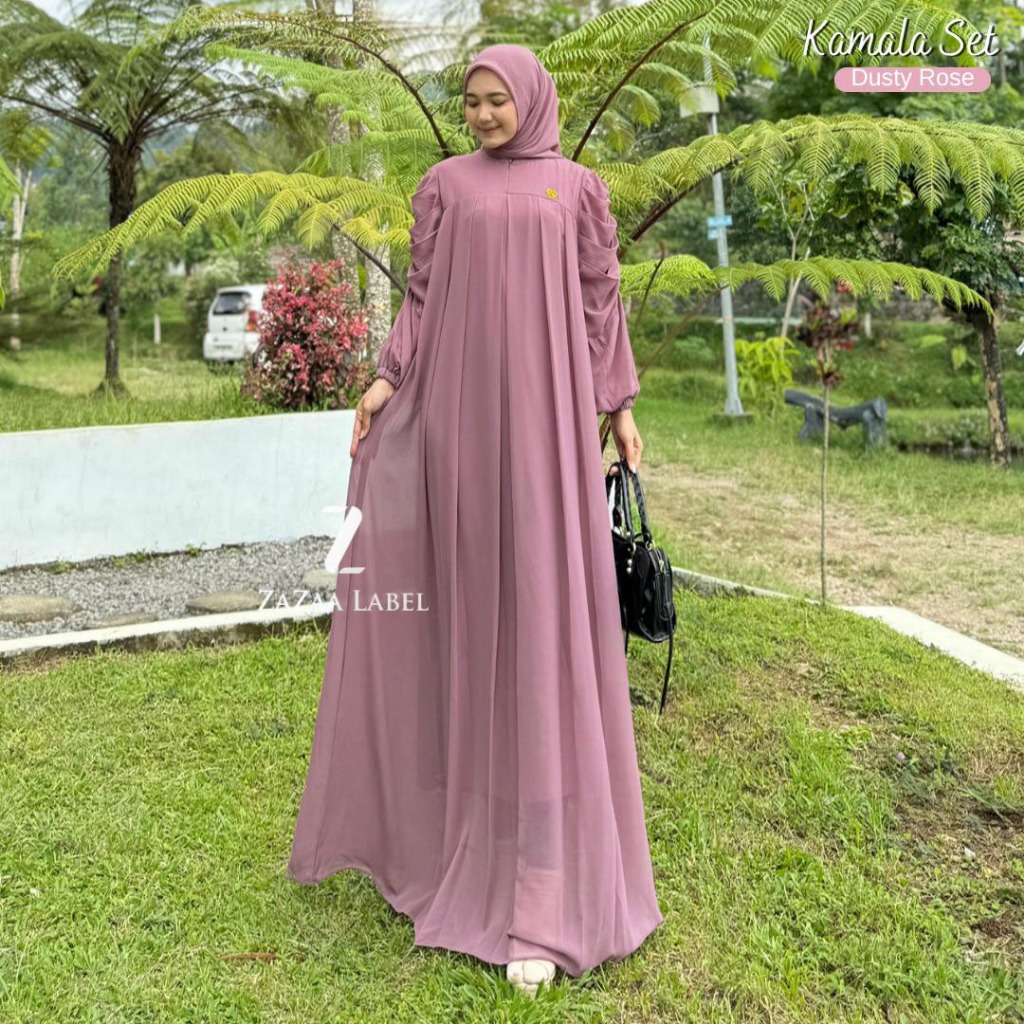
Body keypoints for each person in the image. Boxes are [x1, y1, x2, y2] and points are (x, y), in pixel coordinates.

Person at [287, 43, 663, 998]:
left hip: (548, 436)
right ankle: (459, 837)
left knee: (539, 626)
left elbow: (600, 302)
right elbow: (420, 299)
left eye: (499, 100)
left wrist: (620, 408)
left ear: (532, 100)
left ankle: (541, 882)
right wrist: (384, 382)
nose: (485, 114)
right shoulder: (446, 186)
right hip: (459, 428)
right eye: (472, 101)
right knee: (467, 622)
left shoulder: (576, 190)